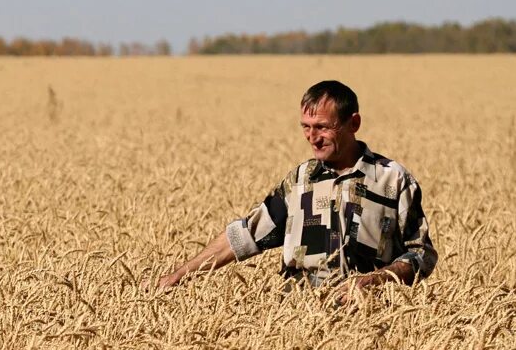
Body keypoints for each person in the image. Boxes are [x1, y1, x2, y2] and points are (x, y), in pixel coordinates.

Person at [149, 80, 436, 303]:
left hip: (371, 322)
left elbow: (420, 254)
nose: (312, 137)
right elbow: (245, 236)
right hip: (300, 327)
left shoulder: (392, 180)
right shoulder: (300, 181)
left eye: (322, 127)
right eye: (306, 127)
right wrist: (177, 276)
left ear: (354, 123)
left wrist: (378, 280)